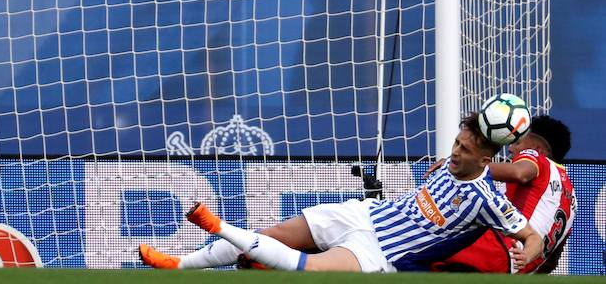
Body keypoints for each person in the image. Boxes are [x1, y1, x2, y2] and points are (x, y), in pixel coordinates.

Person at [139, 113, 543, 273]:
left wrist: (531, 249)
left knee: (309, 270)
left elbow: (531, 236)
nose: (454, 152)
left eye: (464, 150)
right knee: (275, 233)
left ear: (485, 157)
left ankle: (216, 225)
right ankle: (178, 265)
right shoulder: (447, 165)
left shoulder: (489, 201)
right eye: (456, 143)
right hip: (366, 214)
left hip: (381, 253)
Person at [430, 115, 576, 274]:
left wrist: (464, 165)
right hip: (512, 268)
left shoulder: (538, 159)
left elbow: (519, 173)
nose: (511, 149)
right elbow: (551, 262)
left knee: (419, 248)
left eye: (517, 142)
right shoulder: (571, 200)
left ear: (539, 150)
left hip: (493, 247)